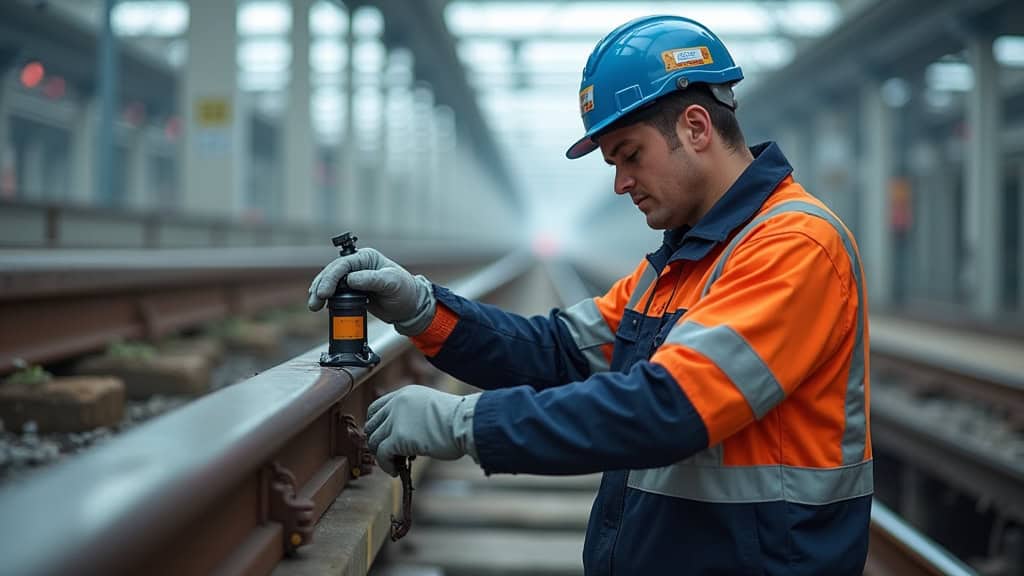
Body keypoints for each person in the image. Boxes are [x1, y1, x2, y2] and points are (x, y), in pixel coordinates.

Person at [308, 15, 872, 576]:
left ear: (697, 128)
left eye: (630, 155)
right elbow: (555, 351)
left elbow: (668, 407)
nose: (621, 182)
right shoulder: (681, 263)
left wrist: (463, 423)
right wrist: (421, 307)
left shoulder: (795, 246)